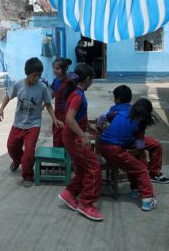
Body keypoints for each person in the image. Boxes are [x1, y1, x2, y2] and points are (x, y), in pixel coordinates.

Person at [0, 57, 63, 188]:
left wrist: (54, 118)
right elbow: (8, 96)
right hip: (18, 123)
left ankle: (28, 176)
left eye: (39, 76)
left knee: (29, 151)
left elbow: (48, 104)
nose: (36, 78)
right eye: (34, 76)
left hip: (34, 124)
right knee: (11, 146)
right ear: (27, 73)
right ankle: (17, 160)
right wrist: (1, 110)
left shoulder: (42, 87)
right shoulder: (18, 85)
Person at [57, 64, 104, 221]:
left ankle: (69, 194)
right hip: (74, 139)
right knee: (94, 167)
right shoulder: (77, 96)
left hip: (72, 137)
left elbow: (77, 116)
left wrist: (88, 126)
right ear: (88, 79)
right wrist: (83, 137)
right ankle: (86, 203)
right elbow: (69, 119)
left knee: (84, 169)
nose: (92, 83)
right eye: (92, 80)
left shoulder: (77, 93)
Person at [100, 98, 158, 211]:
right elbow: (140, 146)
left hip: (103, 146)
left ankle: (136, 190)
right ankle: (147, 200)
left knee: (132, 164)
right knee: (141, 169)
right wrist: (141, 157)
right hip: (115, 150)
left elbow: (107, 117)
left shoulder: (120, 113)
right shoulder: (140, 123)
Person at [105, 85, 169, 184]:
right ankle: (154, 173)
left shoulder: (113, 109)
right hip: (129, 140)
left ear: (117, 99)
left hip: (117, 140)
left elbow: (108, 118)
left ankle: (146, 170)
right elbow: (140, 144)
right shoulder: (135, 111)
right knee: (155, 145)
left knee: (141, 149)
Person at [50, 58, 72, 147]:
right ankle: (60, 158)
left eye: (58, 68)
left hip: (67, 113)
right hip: (57, 113)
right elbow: (50, 95)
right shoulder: (56, 81)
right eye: (54, 68)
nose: (55, 71)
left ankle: (68, 158)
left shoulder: (70, 82)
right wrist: (43, 104)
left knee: (66, 137)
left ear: (65, 69)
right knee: (57, 136)